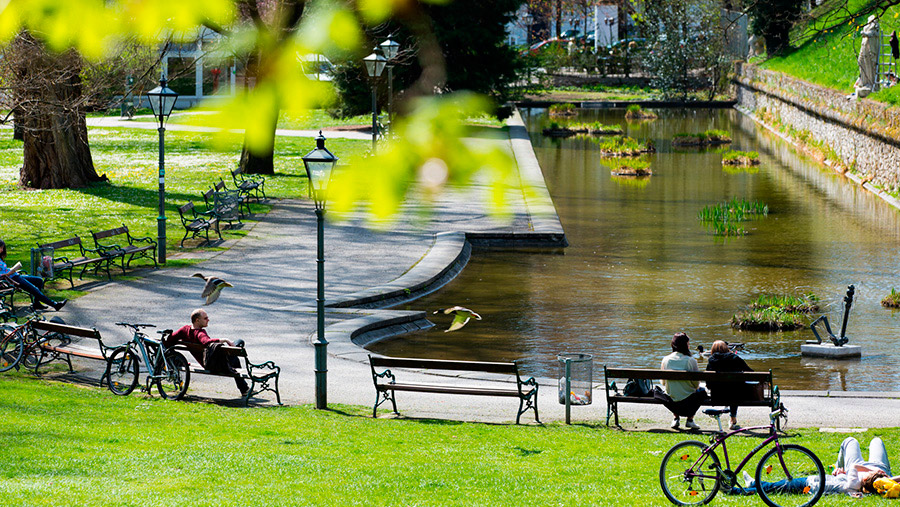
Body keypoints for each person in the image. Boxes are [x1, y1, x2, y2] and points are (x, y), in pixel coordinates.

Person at [741, 437, 893, 497]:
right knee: (875, 441)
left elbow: (853, 467)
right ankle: (753, 485)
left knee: (852, 441)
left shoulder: (852, 484)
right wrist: (881, 475)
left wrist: (873, 471)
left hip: (814, 482)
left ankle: (751, 486)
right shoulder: (885, 482)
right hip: (876, 470)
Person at [166, 308, 249, 397]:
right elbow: (206, 342)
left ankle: (244, 389)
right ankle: (244, 389)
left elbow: (169, 340)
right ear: (197, 320)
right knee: (238, 345)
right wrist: (224, 340)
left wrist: (174, 359)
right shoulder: (199, 333)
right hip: (213, 364)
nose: (208, 320)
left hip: (205, 362)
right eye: (205, 318)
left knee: (235, 349)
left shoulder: (184, 330)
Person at [0, 239, 66, 311]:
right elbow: (2, 274)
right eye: (1, 248)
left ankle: (36, 303)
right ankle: (55, 304)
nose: (2, 250)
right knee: (34, 289)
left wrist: (12, 269)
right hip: (11, 279)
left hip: (14, 275)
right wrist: (10, 272)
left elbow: (3, 269)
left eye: (3, 248)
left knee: (39, 280)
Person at [661, 332, 707, 430]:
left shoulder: (665, 360)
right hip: (688, 401)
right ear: (686, 345)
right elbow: (696, 385)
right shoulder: (691, 361)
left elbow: (663, 382)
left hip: (671, 400)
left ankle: (676, 418)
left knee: (668, 391)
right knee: (702, 392)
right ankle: (690, 420)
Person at [705, 340, 753, 431]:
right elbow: (750, 373)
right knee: (734, 389)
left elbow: (708, 381)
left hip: (717, 395)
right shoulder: (735, 358)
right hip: (737, 395)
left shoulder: (711, 361)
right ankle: (732, 419)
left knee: (731, 388)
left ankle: (732, 419)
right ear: (726, 348)